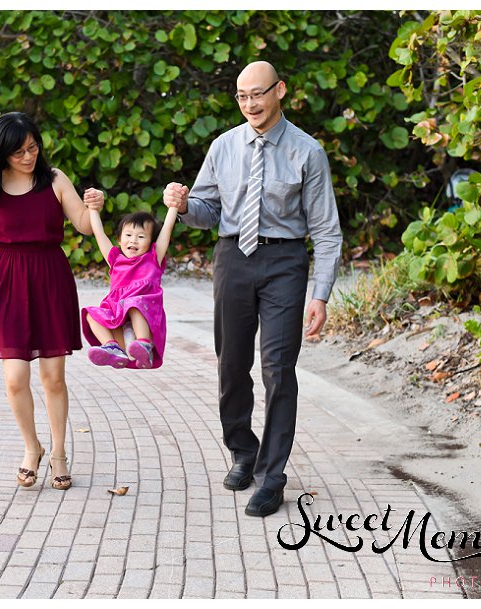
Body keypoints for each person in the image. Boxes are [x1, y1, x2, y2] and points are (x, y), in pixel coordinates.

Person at [164, 61, 343, 517]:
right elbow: (207, 210)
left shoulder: (308, 152)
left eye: (258, 94)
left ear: (280, 90)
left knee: (279, 370)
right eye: (242, 97)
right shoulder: (223, 147)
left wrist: (319, 294)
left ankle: (272, 475)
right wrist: (185, 206)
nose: (251, 105)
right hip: (233, 260)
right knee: (231, 365)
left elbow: (326, 229)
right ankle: (243, 451)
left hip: (285, 262)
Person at [0, 112, 97, 491]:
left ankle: (58, 453)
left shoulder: (55, 180)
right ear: (2, 153)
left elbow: (84, 224)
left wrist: (95, 205)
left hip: (51, 278)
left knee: (53, 377)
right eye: (19, 151)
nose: (28, 156)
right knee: (14, 378)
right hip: (8, 282)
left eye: (33, 147)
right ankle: (31, 447)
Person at [80, 202, 176, 370]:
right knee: (89, 314)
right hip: (118, 315)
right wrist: (93, 210)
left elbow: (167, 229)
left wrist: (173, 206)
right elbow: (99, 233)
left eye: (141, 236)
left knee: (134, 302)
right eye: (128, 235)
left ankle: (145, 344)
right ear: (119, 239)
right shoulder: (116, 261)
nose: (133, 240)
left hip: (144, 314)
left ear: (151, 242)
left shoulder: (153, 258)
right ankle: (113, 347)